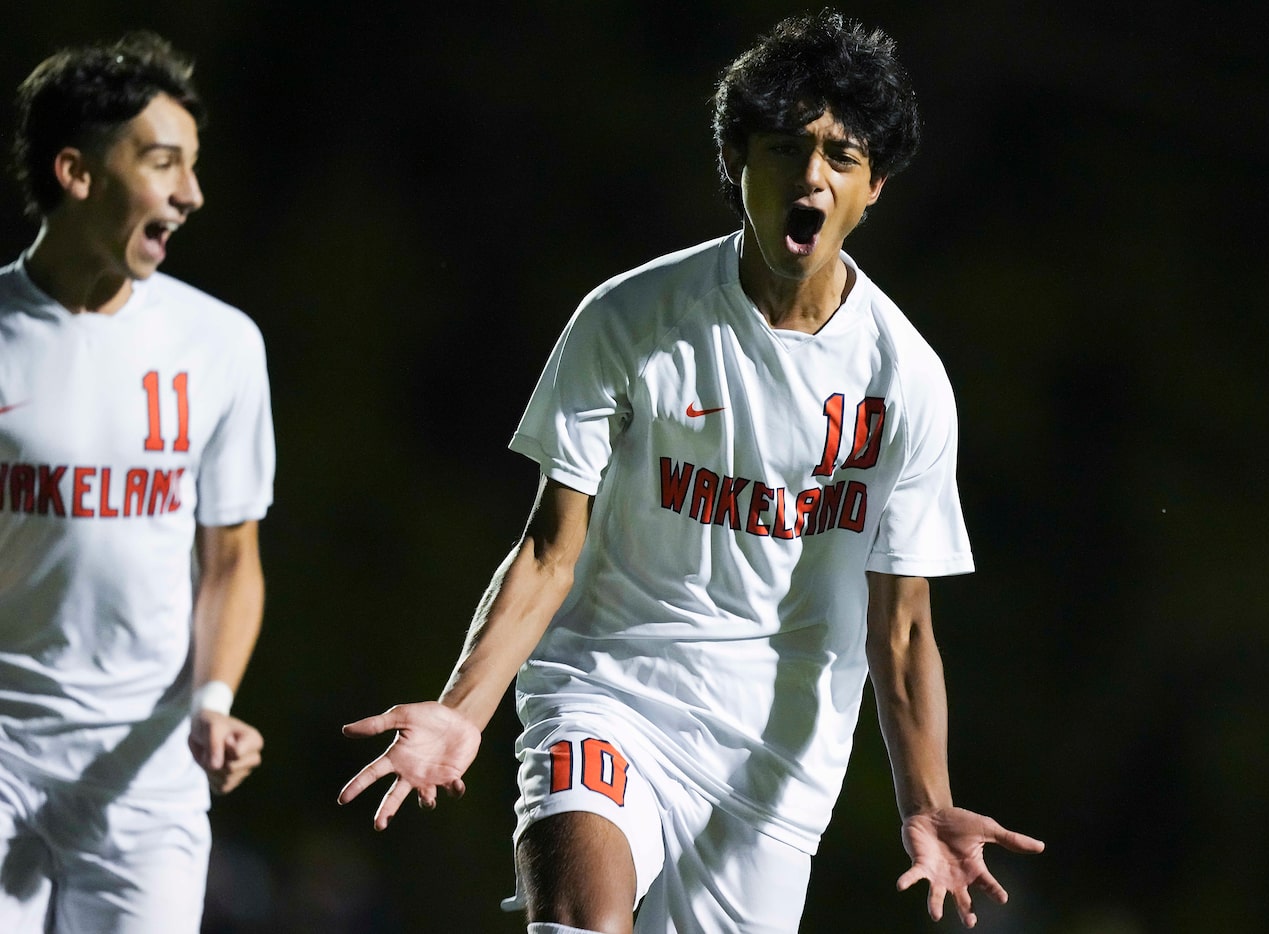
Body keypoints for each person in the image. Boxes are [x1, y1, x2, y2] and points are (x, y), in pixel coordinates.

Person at [340, 10, 1041, 932]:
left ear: (873, 188)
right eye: (786, 147)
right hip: (607, 690)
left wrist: (925, 799)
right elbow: (550, 551)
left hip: (774, 757)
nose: (812, 175)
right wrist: (464, 711)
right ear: (738, 166)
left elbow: (902, 627)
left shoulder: (903, 380)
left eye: (841, 155)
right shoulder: (629, 320)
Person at [0, 32, 274, 932]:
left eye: (193, 167)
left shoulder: (221, 343)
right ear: (76, 173)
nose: (190, 196)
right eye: (163, 165)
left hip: (145, 771)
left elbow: (231, 557)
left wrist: (214, 701)